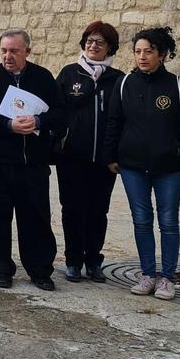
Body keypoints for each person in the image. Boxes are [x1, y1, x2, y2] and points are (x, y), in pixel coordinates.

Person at [103, 28, 180, 300]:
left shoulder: (179, 85)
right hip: (132, 166)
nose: (142, 56)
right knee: (141, 220)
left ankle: (168, 278)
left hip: (169, 168)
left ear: (162, 54)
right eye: (138, 51)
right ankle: (148, 274)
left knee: (168, 221)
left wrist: (179, 149)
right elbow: (113, 123)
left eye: (149, 51)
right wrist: (111, 156)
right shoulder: (124, 84)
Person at [0, 29, 64, 290]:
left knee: (35, 219)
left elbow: (61, 113)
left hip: (32, 164)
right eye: (3, 50)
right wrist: (8, 125)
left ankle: (39, 270)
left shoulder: (43, 78)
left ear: (27, 52)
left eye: (14, 51)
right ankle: (2, 269)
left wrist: (39, 121)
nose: (7, 56)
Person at [54, 21, 124, 283]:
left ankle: (93, 260)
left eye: (100, 42)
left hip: (104, 161)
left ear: (110, 48)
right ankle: (73, 260)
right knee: (71, 209)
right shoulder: (69, 73)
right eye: (89, 41)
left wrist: (115, 155)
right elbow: (56, 111)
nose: (93, 46)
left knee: (97, 211)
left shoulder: (118, 79)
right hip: (71, 158)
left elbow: (121, 120)